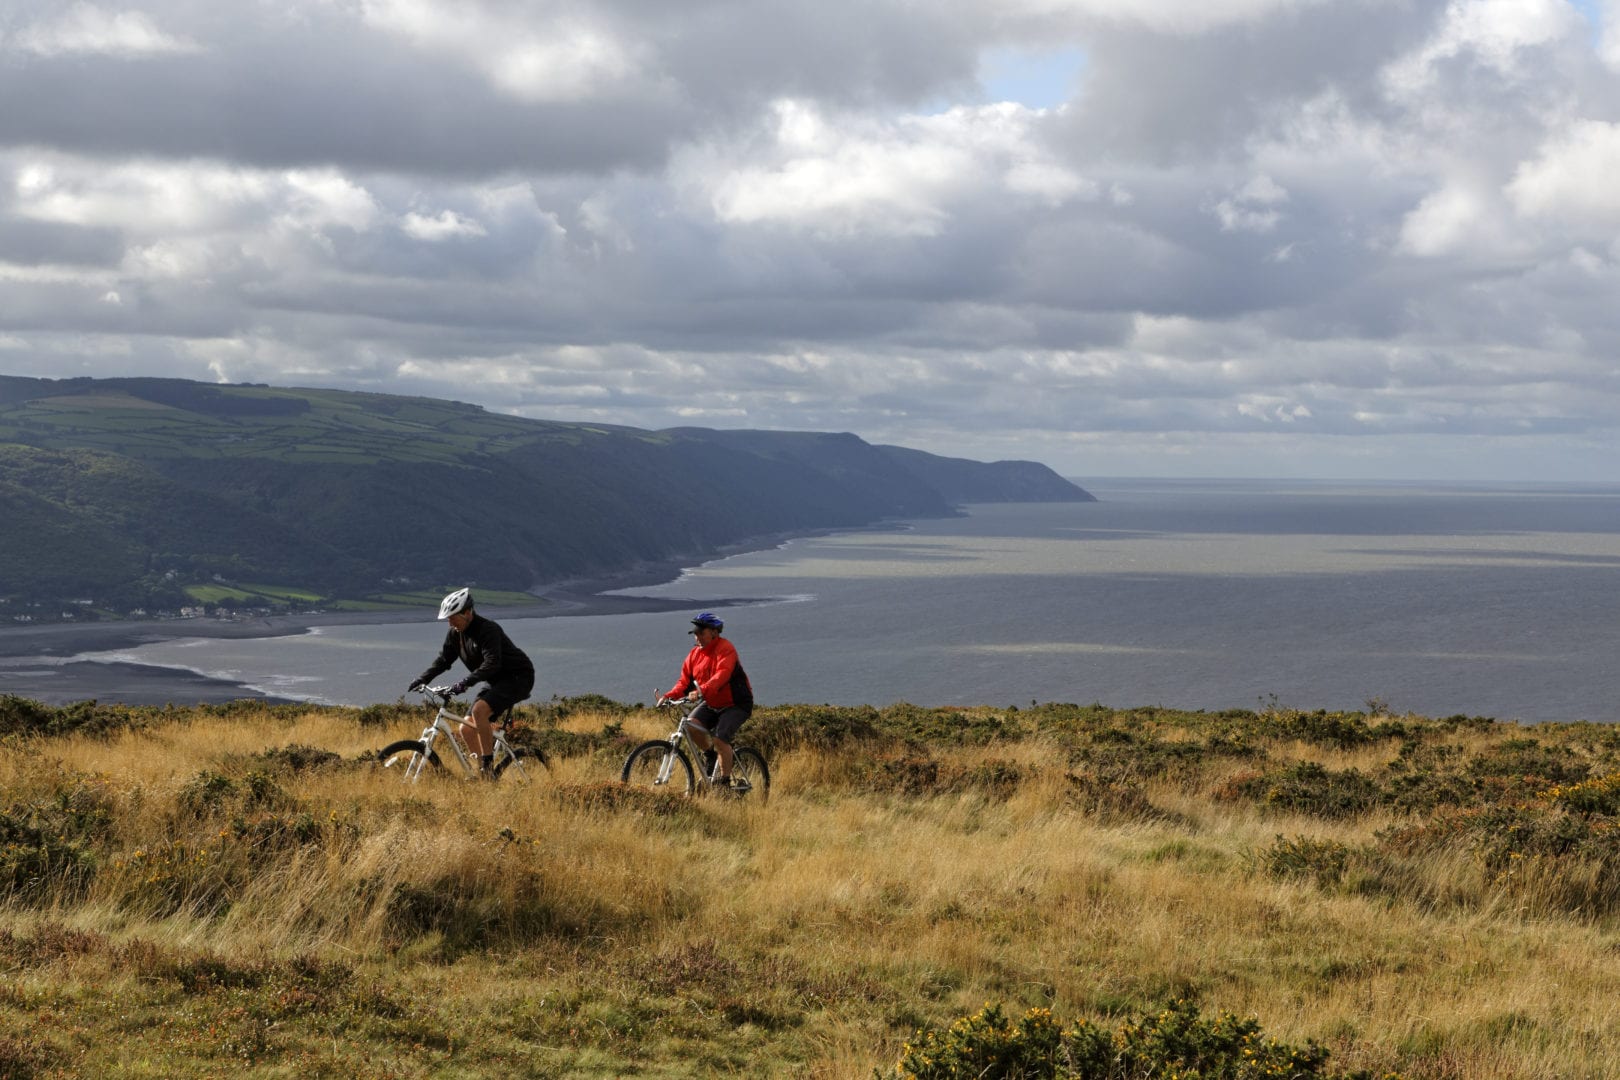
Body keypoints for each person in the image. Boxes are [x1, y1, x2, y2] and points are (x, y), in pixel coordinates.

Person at [409, 587, 535, 777]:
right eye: (448, 618)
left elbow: (492, 663)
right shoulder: (455, 633)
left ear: (468, 613)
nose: (450, 622)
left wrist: (464, 683)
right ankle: (485, 775)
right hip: (496, 682)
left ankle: (487, 764)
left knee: (479, 711)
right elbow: (444, 660)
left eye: (453, 617)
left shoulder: (488, 630)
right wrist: (423, 678)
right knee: (466, 729)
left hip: (518, 677)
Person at [658, 611, 753, 787]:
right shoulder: (694, 655)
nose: (697, 636)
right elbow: (684, 683)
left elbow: (721, 675)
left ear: (714, 633)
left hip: (736, 704)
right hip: (712, 701)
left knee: (720, 739)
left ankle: (724, 783)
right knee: (692, 724)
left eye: (701, 632)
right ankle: (710, 757)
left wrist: (701, 690)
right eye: (695, 633)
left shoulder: (725, 649)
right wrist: (668, 696)